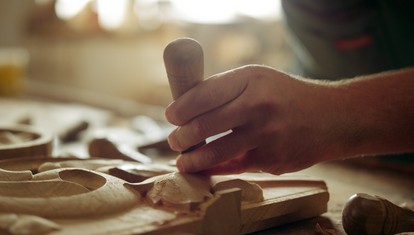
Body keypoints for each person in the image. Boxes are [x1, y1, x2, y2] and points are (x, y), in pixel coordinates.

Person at [164, 0, 414, 175]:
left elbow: (318, 104)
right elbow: (315, 67)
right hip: (347, 168)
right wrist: (259, 115)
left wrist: (329, 111)